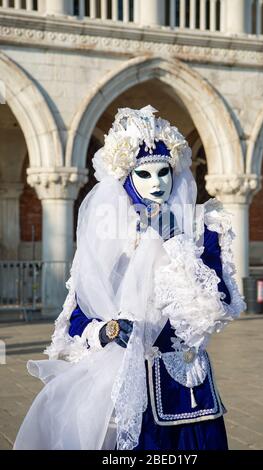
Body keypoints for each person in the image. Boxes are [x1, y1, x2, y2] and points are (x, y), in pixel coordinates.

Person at [14, 105, 246, 451]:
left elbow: (217, 309)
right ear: (126, 180)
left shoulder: (203, 231)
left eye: (163, 172)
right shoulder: (107, 240)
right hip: (120, 396)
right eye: (145, 174)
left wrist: (175, 241)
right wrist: (106, 330)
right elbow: (76, 319)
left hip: (186, 398)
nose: (157, 183)